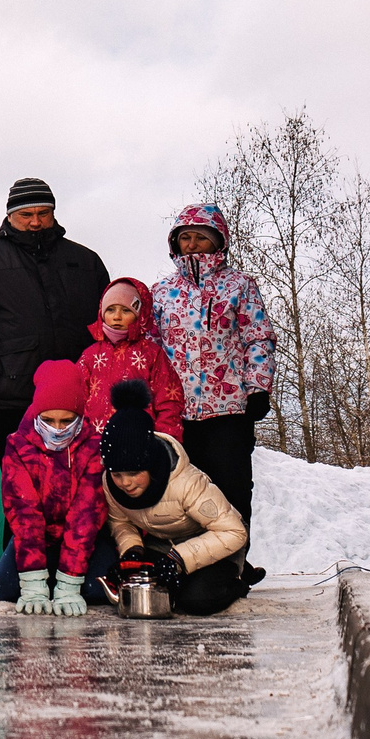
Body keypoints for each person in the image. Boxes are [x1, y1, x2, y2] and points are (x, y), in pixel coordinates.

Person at [0, 177, 111, 511]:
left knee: (85, 496)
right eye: (26, 215)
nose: (35, 221)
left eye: (43, 213)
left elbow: (108, 324)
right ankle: (21, 565)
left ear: (54, 213)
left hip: (81, 403)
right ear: (9, 216)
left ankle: (80, 563)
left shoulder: (85, 261)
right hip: (14, 403)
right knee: (24, 499)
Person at [149, 204, 275, 549]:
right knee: (180, 489)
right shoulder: (161, 292)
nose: (192, 244)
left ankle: (233, 563)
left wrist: (258, 388)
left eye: (200, 238)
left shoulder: (240, 285)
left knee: (230, 486)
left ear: (218, 242)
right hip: (175, 410)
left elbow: (257, 337)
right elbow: (151, 348)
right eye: (185, 238)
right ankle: (187, 562)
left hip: (229, 409)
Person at [100, 381, 252, 614]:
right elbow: (121, 522)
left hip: (217, 540)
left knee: (195, 601)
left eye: (133, 473)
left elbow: (234, 532)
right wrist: (133, 551)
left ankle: (238, 579)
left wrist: (178, 560)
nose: (125, 483)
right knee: (136, 579)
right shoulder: (111, 484)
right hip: (164, 545)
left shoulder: (186, 482)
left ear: (150, 464)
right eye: (117, 474)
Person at [0, 361, 112, 614]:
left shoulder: (94, 447)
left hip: (84, 538)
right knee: (7, 588)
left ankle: (67, 578)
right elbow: (24, 514)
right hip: (39, 537)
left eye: (67, 420)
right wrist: (33, 582)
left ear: (80, 416)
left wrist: (69, 582)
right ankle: (45, 578)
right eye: (48, 420)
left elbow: (86, 516)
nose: (58, 429)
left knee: (94, 589)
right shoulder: (18, 445)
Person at [78, 277, 186, 441]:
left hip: (140, 441)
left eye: (126, 310)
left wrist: (164, 441)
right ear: (101, 312)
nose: (117, 317)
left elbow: (169, 401)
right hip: (94, 442)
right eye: (111, 310)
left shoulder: (152, 354)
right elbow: (76, 399)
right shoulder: (90, 356)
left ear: (139, 315)